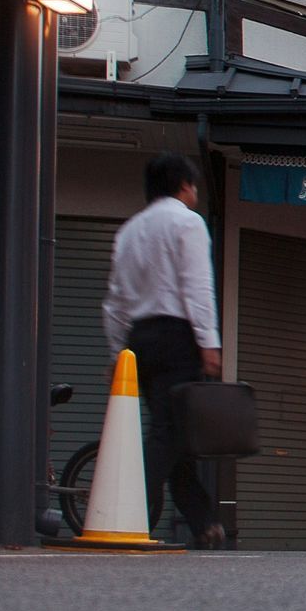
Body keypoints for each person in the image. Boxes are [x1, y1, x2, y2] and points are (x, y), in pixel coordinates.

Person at [102, 152, 223, 549]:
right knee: (169, 432)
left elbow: (115, 301)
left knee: (173, 433)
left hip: (139, 340)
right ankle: (135, 515)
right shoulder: (187, 222)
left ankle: (204, 522)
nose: (195, 193)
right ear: (184, 185)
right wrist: (209, 341)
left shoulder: (129, 231)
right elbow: (197, 286)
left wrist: (118, 352)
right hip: (176, 338)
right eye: (193, 186)